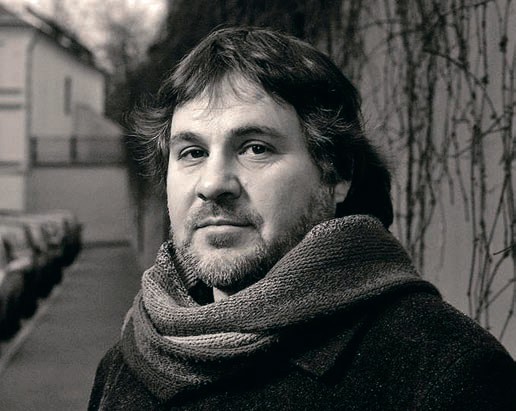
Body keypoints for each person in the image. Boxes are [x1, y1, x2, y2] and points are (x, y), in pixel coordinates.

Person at [89, 27, 516, 410]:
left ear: (337, 174)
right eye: (193, 152)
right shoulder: (130, 359)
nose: (213, 184)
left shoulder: (447, 371)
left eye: (255, 148)